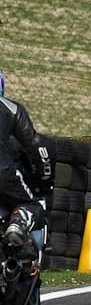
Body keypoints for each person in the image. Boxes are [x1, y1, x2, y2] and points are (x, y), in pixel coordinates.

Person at [0, 70, 53, 262]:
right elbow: (37, 147)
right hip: (3, 172)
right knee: (34, 205)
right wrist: (46, 179)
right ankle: (19, 223)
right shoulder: (11, 108)